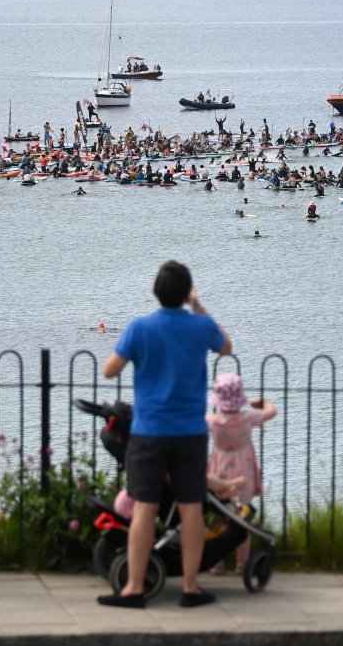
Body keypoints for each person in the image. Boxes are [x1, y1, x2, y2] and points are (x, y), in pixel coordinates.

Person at [99, 261, 232, 608]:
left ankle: (134, 589)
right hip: (189, 431)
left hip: (150, 430)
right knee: (191, 509)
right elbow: (226, 347)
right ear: (186, 293)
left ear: (155, 292)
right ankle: (191, 588)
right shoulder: (200, 326)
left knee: (145, 506)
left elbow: (109, 370)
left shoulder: (139, 328)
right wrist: (199, 307)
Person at [206, 373, 276, 573]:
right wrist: (264, 402)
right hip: (242, 471)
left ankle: (216, 562)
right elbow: (271, 412)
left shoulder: (213, 420)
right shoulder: (248, 418)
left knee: (218, 513)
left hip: (219, 471)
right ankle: (242, 563)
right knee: (242, 515)